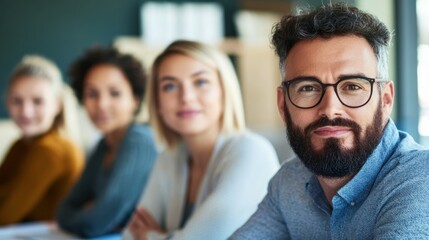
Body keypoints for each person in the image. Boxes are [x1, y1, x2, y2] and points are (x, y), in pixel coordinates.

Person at [231, 3, 429, 239]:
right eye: (308, 88)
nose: (330, 109)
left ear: (385, 100)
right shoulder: (289, 181)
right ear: (283, 105)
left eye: (352, 86)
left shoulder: (420, 179)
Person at [122, 40, 279, 240]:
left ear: (224, 91)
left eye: (201, 82)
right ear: (158, 102)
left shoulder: (252, 151)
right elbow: (131, 234)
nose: (186, 97)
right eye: (169, 86)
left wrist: (151, 236)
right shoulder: (168, 158)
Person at [56, 46, 158, 237]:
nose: (101, 104)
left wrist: (87, 214)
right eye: (92, 94)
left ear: (135, 99)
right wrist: (86, 215)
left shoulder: (139, 140)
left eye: (115, 93)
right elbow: (64, 210)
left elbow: (97, 223)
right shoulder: (105, 145)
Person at [0, 55, 84, 225]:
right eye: (17, 100)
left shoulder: (50, 150)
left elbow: (4, 215)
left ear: (56, 104)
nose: (26, 111)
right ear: (7, 101)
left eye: (37, 101)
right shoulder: (20, 145)